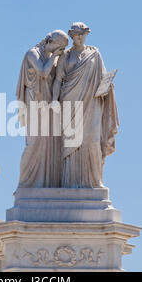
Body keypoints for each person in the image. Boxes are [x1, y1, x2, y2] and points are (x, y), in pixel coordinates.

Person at [53, 22, 119, 188]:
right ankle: (70, 182)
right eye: (77, 34)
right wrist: (54, 99)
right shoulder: (66, 57)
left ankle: (95, 181)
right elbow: (58, 80)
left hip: (92, 102)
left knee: (92, 140)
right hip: (69, 101)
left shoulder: (94, 54)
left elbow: (103, 77)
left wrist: (108, 86)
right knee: (71, 143)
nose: (80, 37)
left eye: (83, 34)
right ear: (72, 36)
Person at [16, 30, 69, 188]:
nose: (60, 52)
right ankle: (25, 181)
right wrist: (54, 57)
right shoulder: (32, 53)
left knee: (47, 143)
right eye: (60, 48)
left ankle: (43, 181)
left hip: (46, 103)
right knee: (33, 143)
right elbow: (43, 73)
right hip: (34, 102)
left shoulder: (51, 57)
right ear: (52, 43)